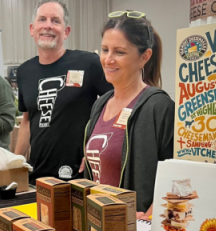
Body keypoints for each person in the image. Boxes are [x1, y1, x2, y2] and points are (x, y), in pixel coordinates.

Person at [83, 10, 174, 218]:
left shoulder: (159, 107)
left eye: (119, 52)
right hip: (99, 224)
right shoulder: (101, 104)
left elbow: (175, 178)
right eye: (105, 50)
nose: (108, 59)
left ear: (144, 57)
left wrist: (149, 218)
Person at [15, 0, 113, 183]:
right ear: (32, 29)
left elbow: (116, 104)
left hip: (79, 177)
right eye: (42, 19)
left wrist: (98, 150)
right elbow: (27, 121)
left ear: (66, 31)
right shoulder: (24, 72)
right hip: (37, 178)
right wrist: (15, 162)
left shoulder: (88, 63)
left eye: (56, 21)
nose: (48, 26)